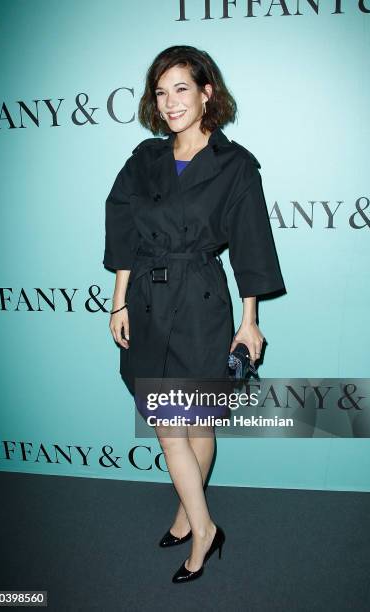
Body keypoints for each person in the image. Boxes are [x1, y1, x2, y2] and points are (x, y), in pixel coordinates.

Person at [103, 45, 286, 583]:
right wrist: (119, 298)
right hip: (149, 300)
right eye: (161, 92)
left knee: (194, 421)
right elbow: (124, 231)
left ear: (207, 92)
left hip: (203, 301)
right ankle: (198, 518)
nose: (169, 102)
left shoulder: (235, 165)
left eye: (181, 88)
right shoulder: (145, 159)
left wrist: (249, 321)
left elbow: (252, 244)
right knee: (170, 424)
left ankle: (197, 524)